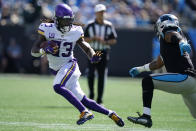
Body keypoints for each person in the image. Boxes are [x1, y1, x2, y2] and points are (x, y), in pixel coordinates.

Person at [31, 4, 124, 126]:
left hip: (69, 65)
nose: (67, 24)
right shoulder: (47, 29)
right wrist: (44, 50)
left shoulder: (76, 31)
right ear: (57, 19)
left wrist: (92, 55)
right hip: (58, 69)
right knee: (84, 100)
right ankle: (111, 114)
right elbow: (33, 52)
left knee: (57, 86)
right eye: (64, 21)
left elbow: (85, 47)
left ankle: (84, 112)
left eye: (69, 21)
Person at [127, 14, 196, 128]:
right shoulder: (170, 42)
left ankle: (146, 117)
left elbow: (174, 36)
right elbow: (158, 63)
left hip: (184, 78)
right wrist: (140, 69)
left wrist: (182, 43)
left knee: (148, 81)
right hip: (191, 84)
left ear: (163, 25)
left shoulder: (169, 33)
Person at [84, 4, 117, 104]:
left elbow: (114, 40)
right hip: (93, 51)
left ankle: (99, 98)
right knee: (90, 74)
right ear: (96, 13)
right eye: (100, 12)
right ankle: (91, 95)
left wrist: (105, 42)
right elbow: (84, 39)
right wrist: (94, 38)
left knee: (102, 75)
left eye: (103, 12)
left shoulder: (109, 25)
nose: (102, 14)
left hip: (103, 51)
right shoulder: (90, 24)